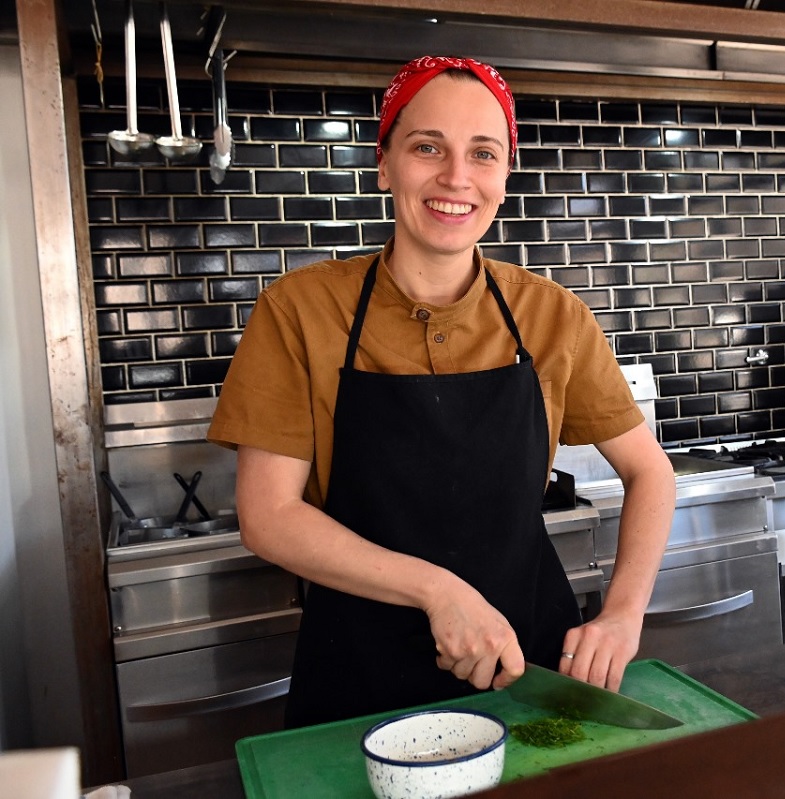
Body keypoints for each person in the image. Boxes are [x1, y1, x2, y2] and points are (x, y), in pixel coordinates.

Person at [207, 55, 676, 728]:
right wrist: (437, 589)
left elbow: (649, 471)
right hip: (358, 684)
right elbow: (268, 514)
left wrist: (625, 613)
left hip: (526, 670)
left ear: (505, 177)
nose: (456, 177)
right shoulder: (301, 311)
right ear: (385, 163)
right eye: (428, 147)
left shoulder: (552, 315)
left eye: (483, 154)